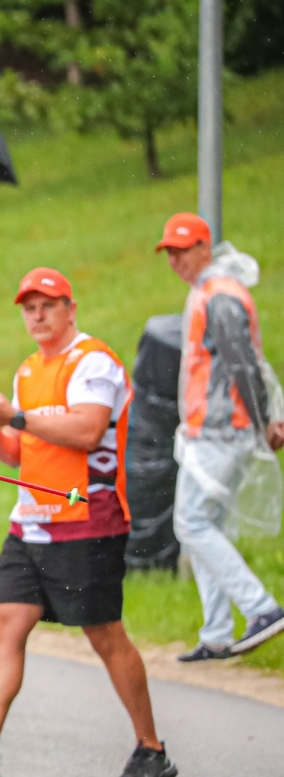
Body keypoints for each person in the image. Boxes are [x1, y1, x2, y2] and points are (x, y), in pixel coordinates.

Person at [0, 268, 175, 777]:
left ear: (70, 309)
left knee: (104, 634)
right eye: (28, 307)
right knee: (6, 623)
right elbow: (20, 453)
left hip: (87, 520)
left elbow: (87, 429)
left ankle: (151, 748)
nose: (37, 315)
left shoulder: (92, 361)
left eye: (47, 305)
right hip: (31, 523)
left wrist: (17, 417)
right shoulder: (28, 371)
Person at [158, 212, 284, 661]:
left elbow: (243, 364)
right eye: (169, 252)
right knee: (206, 526)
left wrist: (262, 420)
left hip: (220, 431)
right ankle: (216, 633)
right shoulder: (210, 291)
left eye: (182, 250)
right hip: (211, 429)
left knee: (190, 522)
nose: (175, 259)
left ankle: (262, 609)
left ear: (204, 248)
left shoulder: (220, 296)